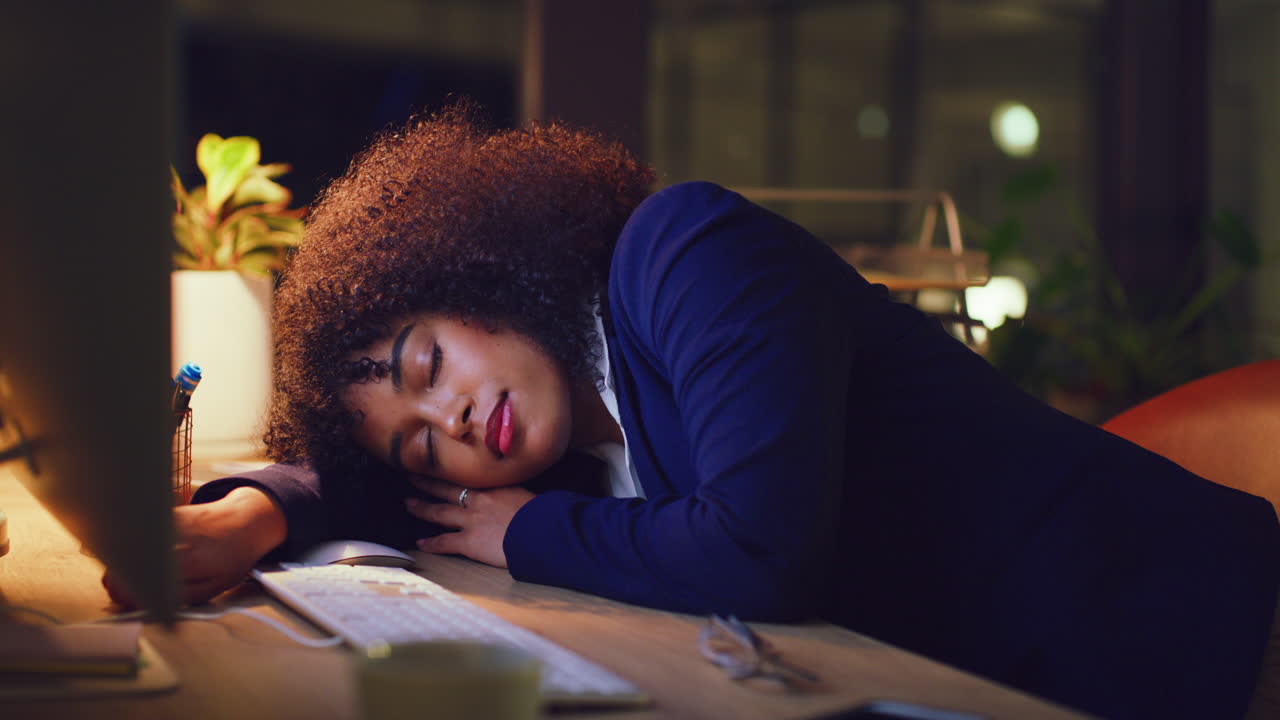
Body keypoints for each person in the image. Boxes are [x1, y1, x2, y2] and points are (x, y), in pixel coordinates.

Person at [109, 105, 1278, 719]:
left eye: (428, 362)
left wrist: (527, 534)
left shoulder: (687, 254)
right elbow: (374, 487)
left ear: (477, 274)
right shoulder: (564, 433)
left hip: (1204, 644)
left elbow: (758, 551)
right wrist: (248, 515)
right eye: (420, 438)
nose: (453, 422)